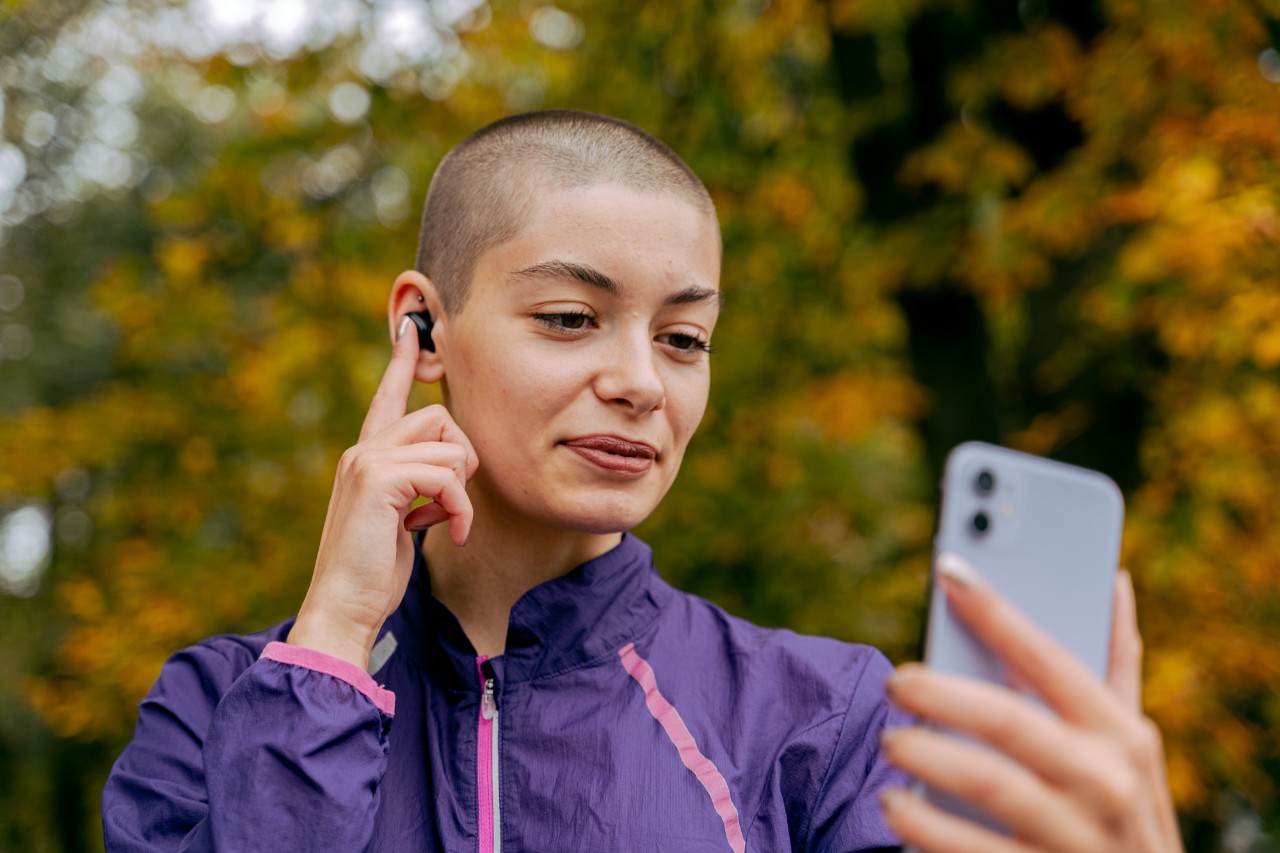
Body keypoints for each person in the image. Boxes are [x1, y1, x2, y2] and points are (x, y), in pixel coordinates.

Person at [102, 110, 1182, 852]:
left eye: (683, 337)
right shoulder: (220, 705)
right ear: (420, 326)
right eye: (571, 319)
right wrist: (334, 635)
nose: (638, 384)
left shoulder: (822, 719)